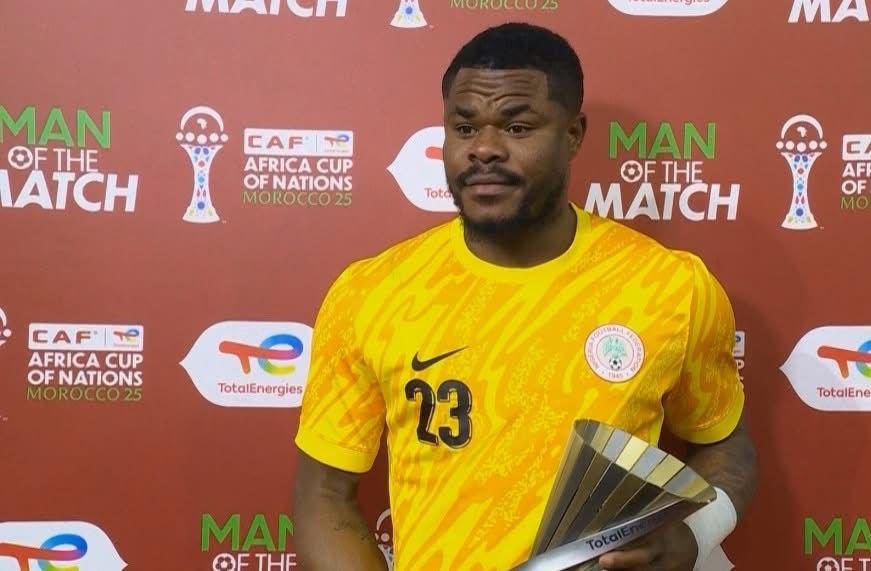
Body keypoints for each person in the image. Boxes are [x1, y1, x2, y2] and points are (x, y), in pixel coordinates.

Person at [293, 22, 758, 571]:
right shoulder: (372, 292)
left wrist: (695, 535)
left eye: (517, 126)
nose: (484, 149)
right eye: (464, 127)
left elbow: (726, 444)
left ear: (573, 134)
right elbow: (324, 493)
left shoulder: (671, 287)